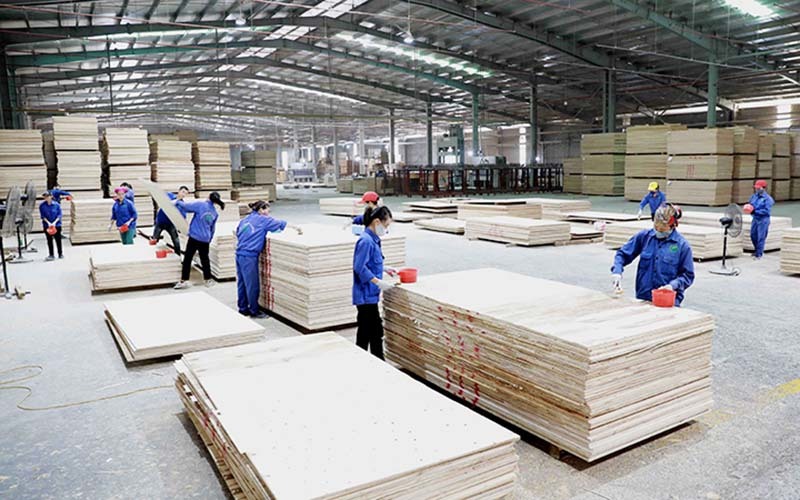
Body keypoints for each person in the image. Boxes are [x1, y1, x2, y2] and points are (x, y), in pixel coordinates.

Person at [611, 203, 695, 306]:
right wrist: (617, 272)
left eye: (662, 230)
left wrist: (672, 286)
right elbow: (622, 254)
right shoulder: (644, 237)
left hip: (668, 302)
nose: (658, 231)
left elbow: (688, 275)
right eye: (656, 227)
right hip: (643, 298)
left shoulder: (682, 246)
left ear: (672, 225)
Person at [235, 200, 302, 318]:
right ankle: (254, 311)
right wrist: (297, 228)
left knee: (242, 283)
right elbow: (281, 224)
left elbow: (237, 233)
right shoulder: (263, 220)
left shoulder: (245, 220)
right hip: (249, 256)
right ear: (261, 210)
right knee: (252, 285)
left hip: (239, 254)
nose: (268, 212)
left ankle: (243, 308)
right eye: (266, 209)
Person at [352, 205, 398, 359]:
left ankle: (370, 360)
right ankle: (374, 361)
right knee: (372, 332)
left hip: (370, 295)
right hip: (365, 295)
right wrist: (377, 282)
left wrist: (385, 268)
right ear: (377, 222)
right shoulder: (366, 241)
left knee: (370, 331)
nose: (386, 230)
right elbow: (359, 267)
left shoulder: (373, 240)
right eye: (386, 225)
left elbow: (371, 262)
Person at [174, 191, 224, 289]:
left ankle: (184, 280)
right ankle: (208, 279)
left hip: (195, 237)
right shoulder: (214, 212)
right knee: (205, 259)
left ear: (208, 197)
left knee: (188, 258)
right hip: (205, 239)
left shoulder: (201, 205)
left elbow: (186, 207)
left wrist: (178, 201)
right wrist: (209, 239)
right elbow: (212, 229)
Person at [151, 185, 190, 255]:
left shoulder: (182, 205)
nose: (183, 194)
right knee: (154, 240)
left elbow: (183, 217)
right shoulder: (169, 195)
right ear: (179, 191)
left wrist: (184, 228)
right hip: (160, 222)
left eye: (185, 193)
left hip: (170, 224)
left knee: (176, 241)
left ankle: (178, 256)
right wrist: (174, 201)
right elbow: (163, 201)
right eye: (183, 192)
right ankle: (152, 255)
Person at [745, 179, 774, 260]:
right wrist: (748, 207)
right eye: (756, 188)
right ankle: (756, 250)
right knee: (753, 235)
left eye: (758, 188)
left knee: (761, 237)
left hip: (763, 219)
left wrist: (755, 211)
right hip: (755, 218)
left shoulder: (768, 199)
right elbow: (750, 203)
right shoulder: (754, 196)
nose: (757, 189)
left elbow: (766, 211)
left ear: (764, 188)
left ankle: (759, 254)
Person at [39, 191, 63, 261]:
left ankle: (60, 253)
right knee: (49, 240)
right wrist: (48, 223)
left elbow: (59, 214)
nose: (46, 198)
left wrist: (54, 222)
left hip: (57, 224)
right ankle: (51, 254)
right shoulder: (42, 206)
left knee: (58, 239)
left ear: (51, 196)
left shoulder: (56, 205)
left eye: (47, 196)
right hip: (47, 225)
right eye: (45, 197)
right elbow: (42, 216)